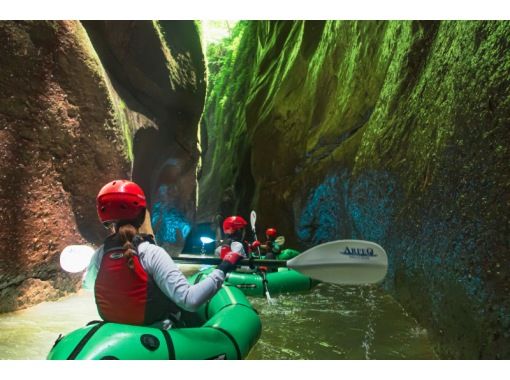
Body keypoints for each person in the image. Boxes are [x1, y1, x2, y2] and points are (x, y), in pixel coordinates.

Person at [83, 179, 242, 328]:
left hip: (113, 332)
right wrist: (224, 266)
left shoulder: (99, 255)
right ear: (141, 215)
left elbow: (89, 285)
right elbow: (190, 300)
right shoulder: (152, 253)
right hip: (155, 332)